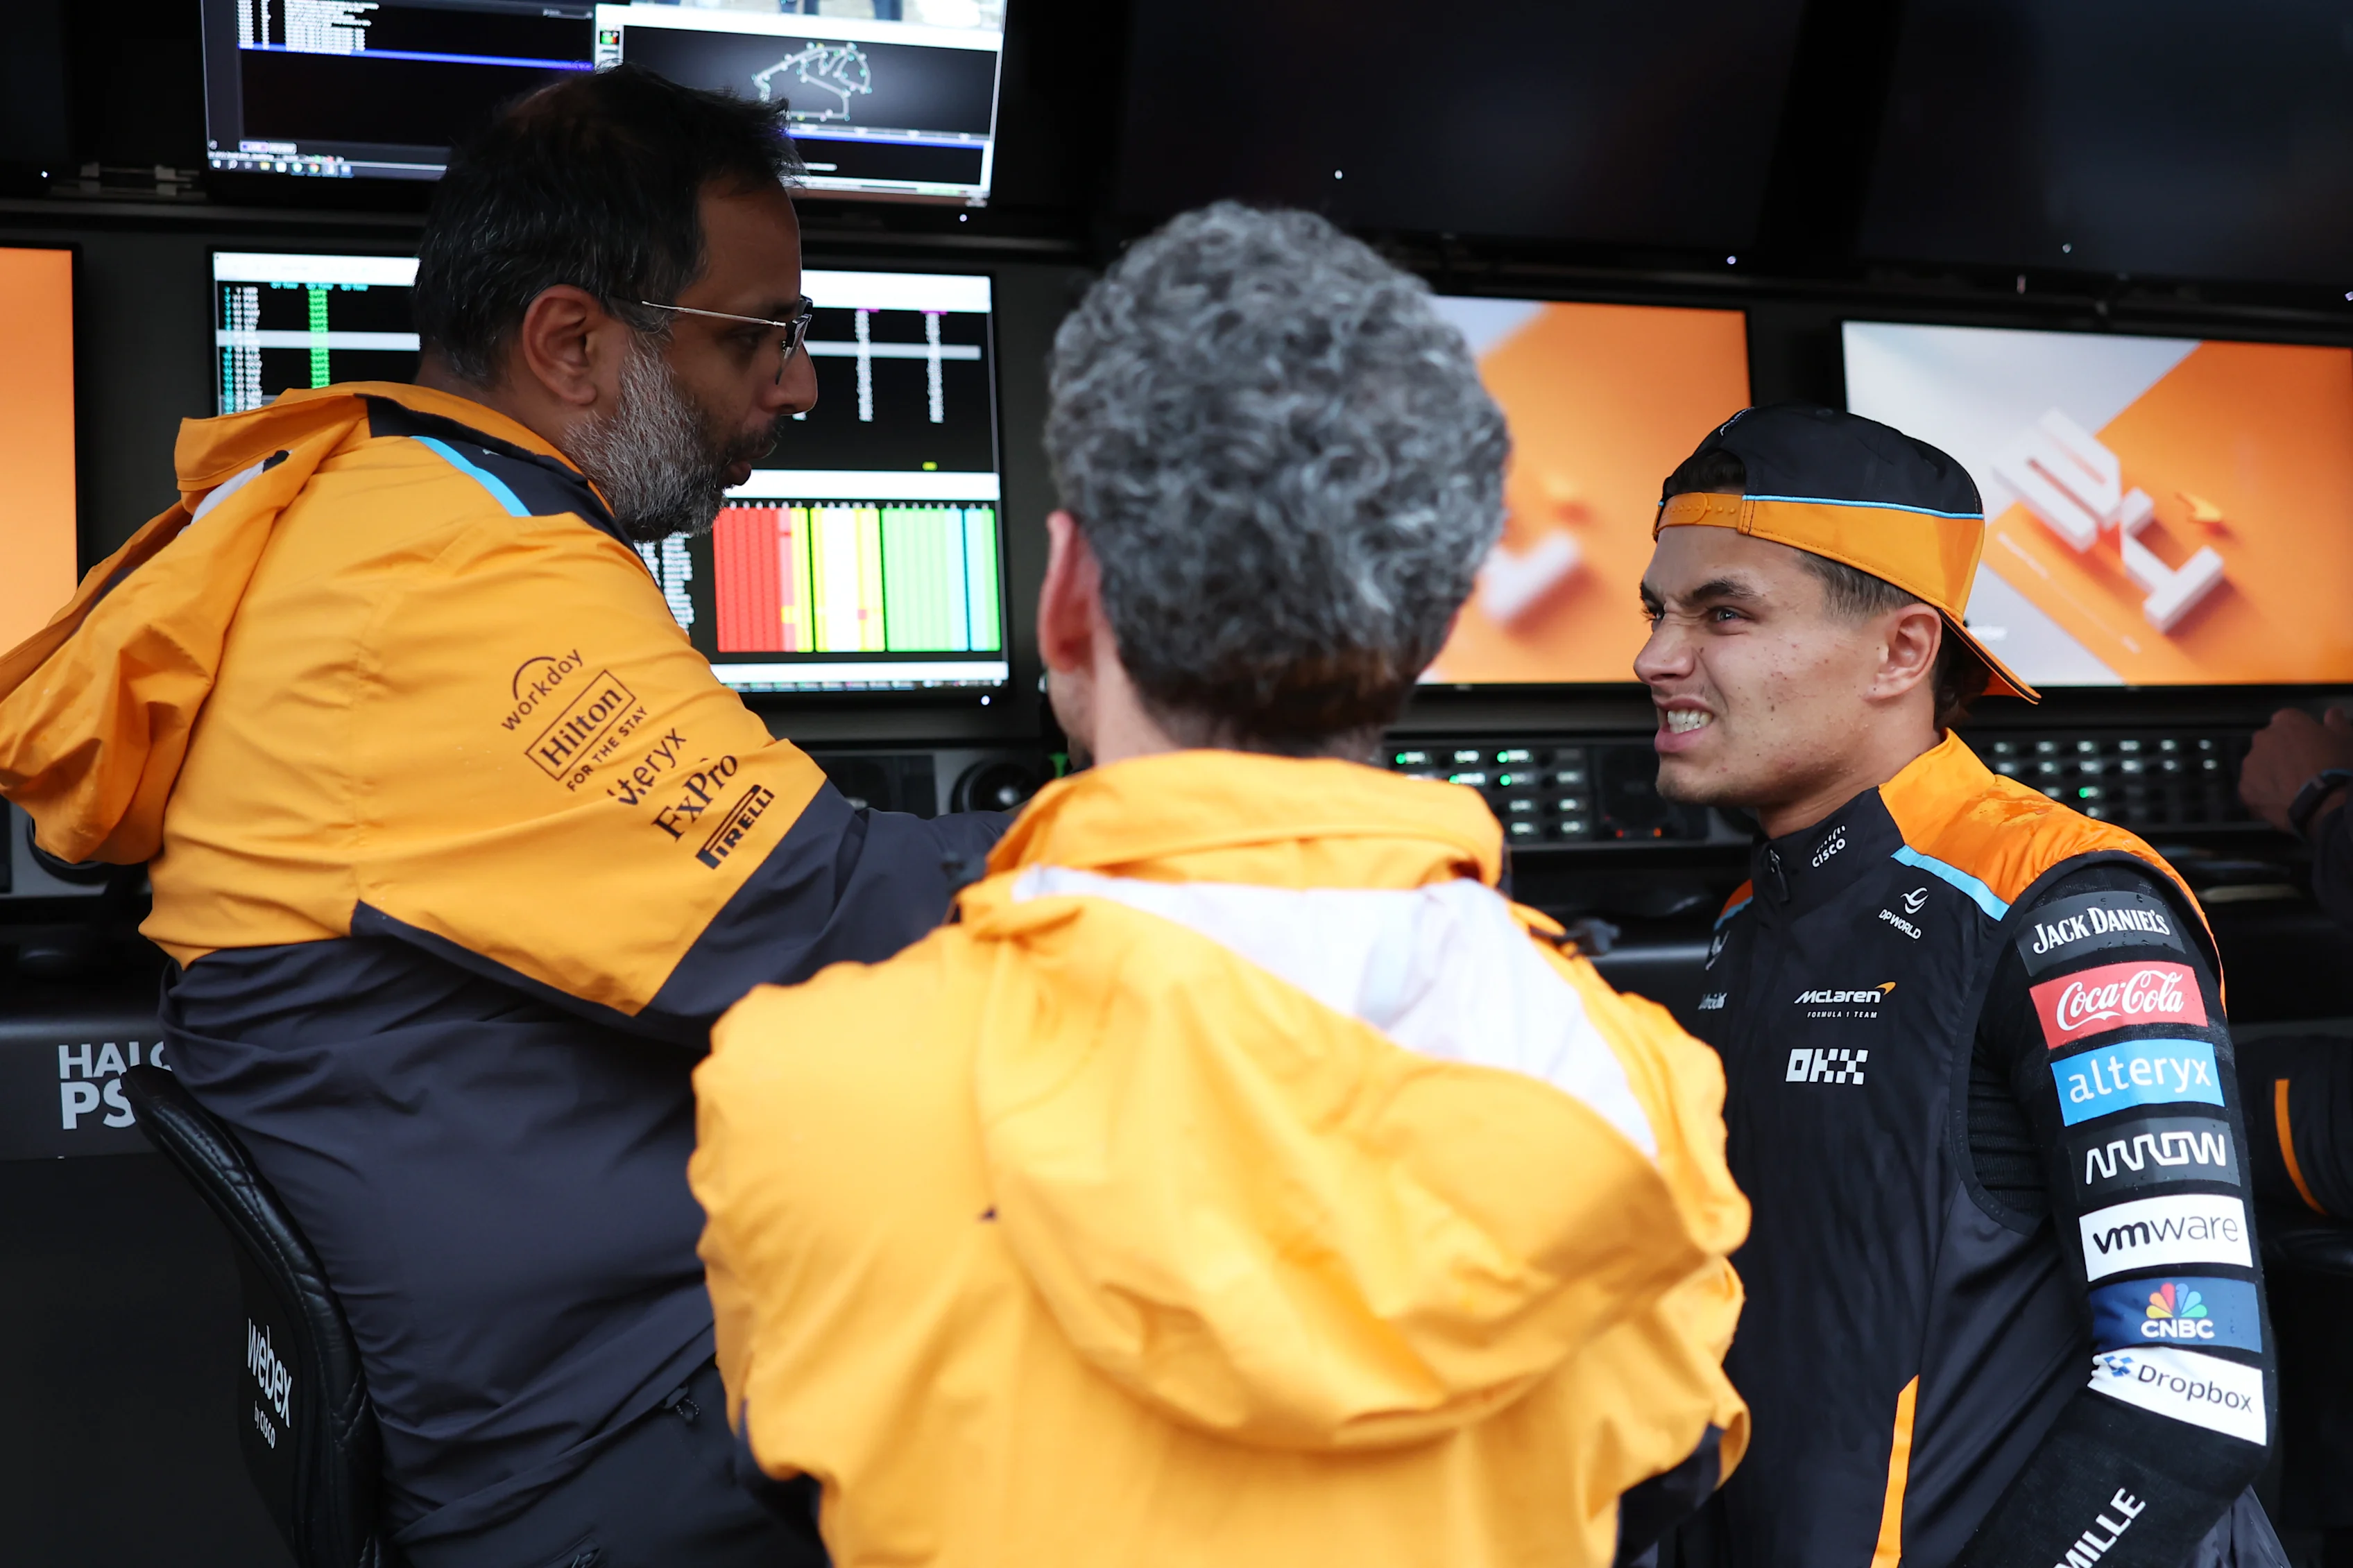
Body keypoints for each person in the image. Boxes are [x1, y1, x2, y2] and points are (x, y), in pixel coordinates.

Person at [0, 67, 1001, 1567]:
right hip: (617, 1438)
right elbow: (837, 918)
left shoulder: (359, 506)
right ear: (573, 342)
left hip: (530, 1397)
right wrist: (1215, 824)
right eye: (759, 335)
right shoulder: (457, 578)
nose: (796, 384)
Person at [689, 203, 1751, 1568]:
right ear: (1425, 631)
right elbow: (1661, 1475)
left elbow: (790, 1467)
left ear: (1067, 595)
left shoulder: (800, 1084)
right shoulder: (1641, 1095)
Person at [1637, 406, 2282, 1567]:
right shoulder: (1750, 925)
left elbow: (2193, 1388)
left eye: (1722, 613)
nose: (1656, 657)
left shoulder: (2068, 908)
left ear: (1903, 650)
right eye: (1658, 611)